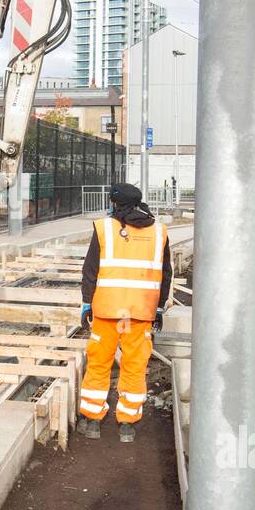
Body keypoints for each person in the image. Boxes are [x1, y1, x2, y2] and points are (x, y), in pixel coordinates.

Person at [77, 183, 172, 443]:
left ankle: (93, 421)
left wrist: (87, 303)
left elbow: (90, 270)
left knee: (98, 363)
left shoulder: (104, 228)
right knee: (134, 365)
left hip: (107, 311)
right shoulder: (159, 232)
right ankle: (127, 425)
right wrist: (160, 307)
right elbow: (166, 275)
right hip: (140, 314)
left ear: (115, 203)